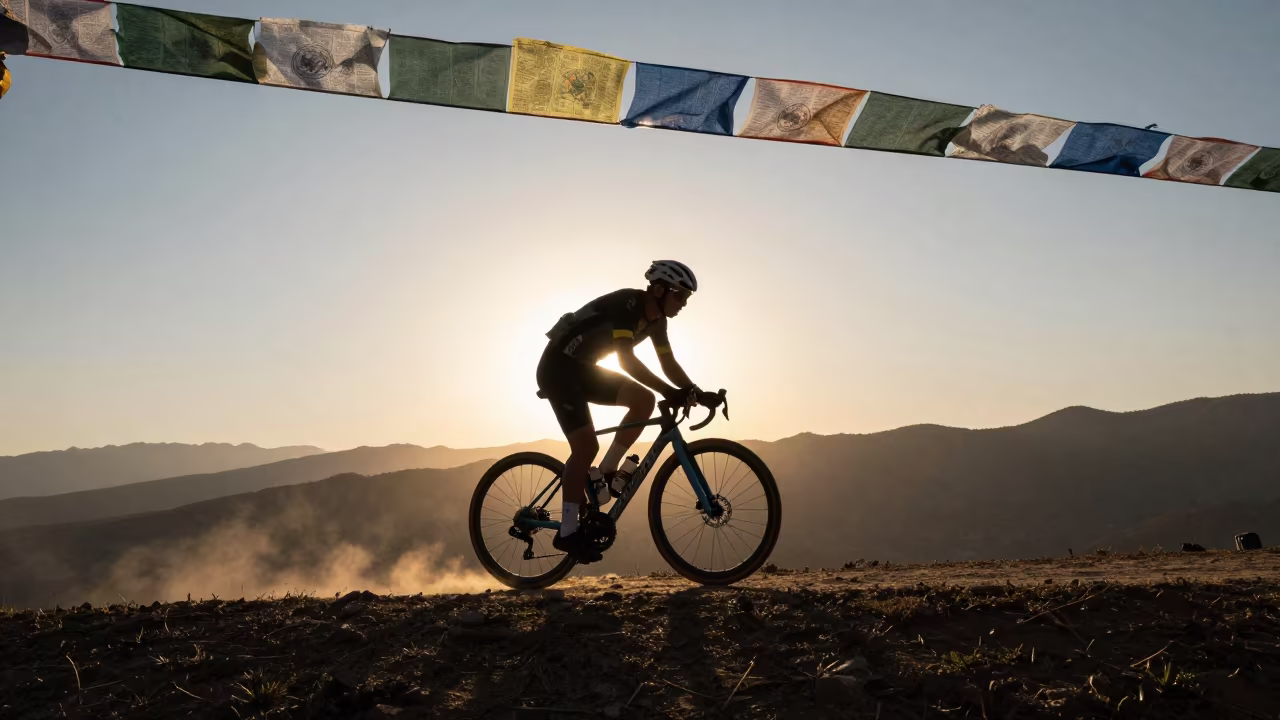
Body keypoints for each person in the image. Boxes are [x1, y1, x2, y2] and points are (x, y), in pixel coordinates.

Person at [537, 260, 708, 563]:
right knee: (585, 446)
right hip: (558, 369)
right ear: (659, 290)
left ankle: (606, 471)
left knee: (643, 400)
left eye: (687, 298)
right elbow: (626, 360)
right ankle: (567, 530)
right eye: (680, 295)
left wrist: (696, 391)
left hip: (584, 370)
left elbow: (667, 363)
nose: (683, 303)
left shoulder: (658, 322)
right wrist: (669, 391)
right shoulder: (627, 305)